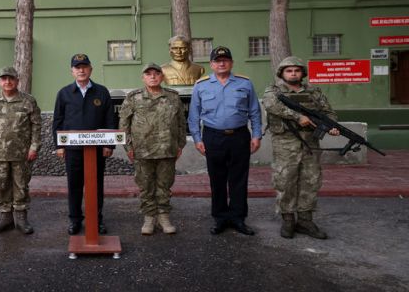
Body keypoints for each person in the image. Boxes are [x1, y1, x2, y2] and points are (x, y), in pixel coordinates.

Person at [188, 46, 262, 236]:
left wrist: (256, 135)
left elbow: (254, 111)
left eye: (225, 60)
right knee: (217, 179)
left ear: (231, 63)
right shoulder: (201, 85)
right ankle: (220, 217)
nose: (221, 63)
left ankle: (238, 218)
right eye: (217, 60)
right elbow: (193, 115)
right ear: (211, 64)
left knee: (239, 179)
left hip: (239, 136)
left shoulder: (245, 84)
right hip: (213, 137)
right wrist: (197, 138)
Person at [263, 56, 339, 239]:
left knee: (310, 180)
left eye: (296, 70)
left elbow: (328, 112)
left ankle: (305, 220)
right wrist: (298, 117)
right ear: (282, 73)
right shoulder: (273, 91)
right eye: (289, 70)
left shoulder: (314, 92)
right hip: (285, 143)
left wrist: (331, 126)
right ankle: (288, 220)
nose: (293, 73)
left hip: (310, 142)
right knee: (285, 180)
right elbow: (272, 106)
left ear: (302, 73)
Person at [119, 63, 186, 235]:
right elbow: (124, 124)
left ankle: (163, 216)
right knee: (145, 185)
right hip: (142, 150)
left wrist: (180, 144)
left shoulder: (172, 97)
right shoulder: (134, 98)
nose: (153, 76)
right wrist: (128, 146)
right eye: (148, 74)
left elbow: (180, 123)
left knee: (164, 185)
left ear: (162, 77)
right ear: (143, 78)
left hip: (167, 149)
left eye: (156, 73)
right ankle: (149, 217)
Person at [53, 53, 116, 235]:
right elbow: (58, 121)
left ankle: (96, 220)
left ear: (90, 69)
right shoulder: (64, 93)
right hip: (73, 150)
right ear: (72, 71)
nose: (81, 70)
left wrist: (109, 145)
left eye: (84, 66)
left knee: (96, 185)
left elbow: (109, 119)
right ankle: (75, 220)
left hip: (96, 149)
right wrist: (59, 145)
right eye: (77, 67)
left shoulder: (101, 92)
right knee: (74, 185)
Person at [0, 66, 42, 235]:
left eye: (11, 78)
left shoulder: (28, 101)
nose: (8, 82)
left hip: (21, 153)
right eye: (4, 78)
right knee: (0, 185)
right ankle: (5, 217)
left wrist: (34, 147)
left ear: (17, 80)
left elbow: (36, 126)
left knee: (21, 185)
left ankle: (21, 218)